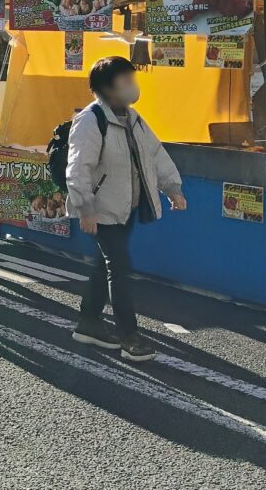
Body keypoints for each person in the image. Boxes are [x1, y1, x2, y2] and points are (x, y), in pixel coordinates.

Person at [66, 56, 187, 362]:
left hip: (125, 207)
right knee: (119, 268)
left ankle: (88, 322)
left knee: (105, 265)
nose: (133, 86)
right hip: (102, 209)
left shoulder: (133, 118)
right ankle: (128, 335)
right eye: (125, 80)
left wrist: (172, 187)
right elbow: (79, 168)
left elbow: (155, 153)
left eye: (132, 78)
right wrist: (86, 208)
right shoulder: (91, 120)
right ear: (106, 88)